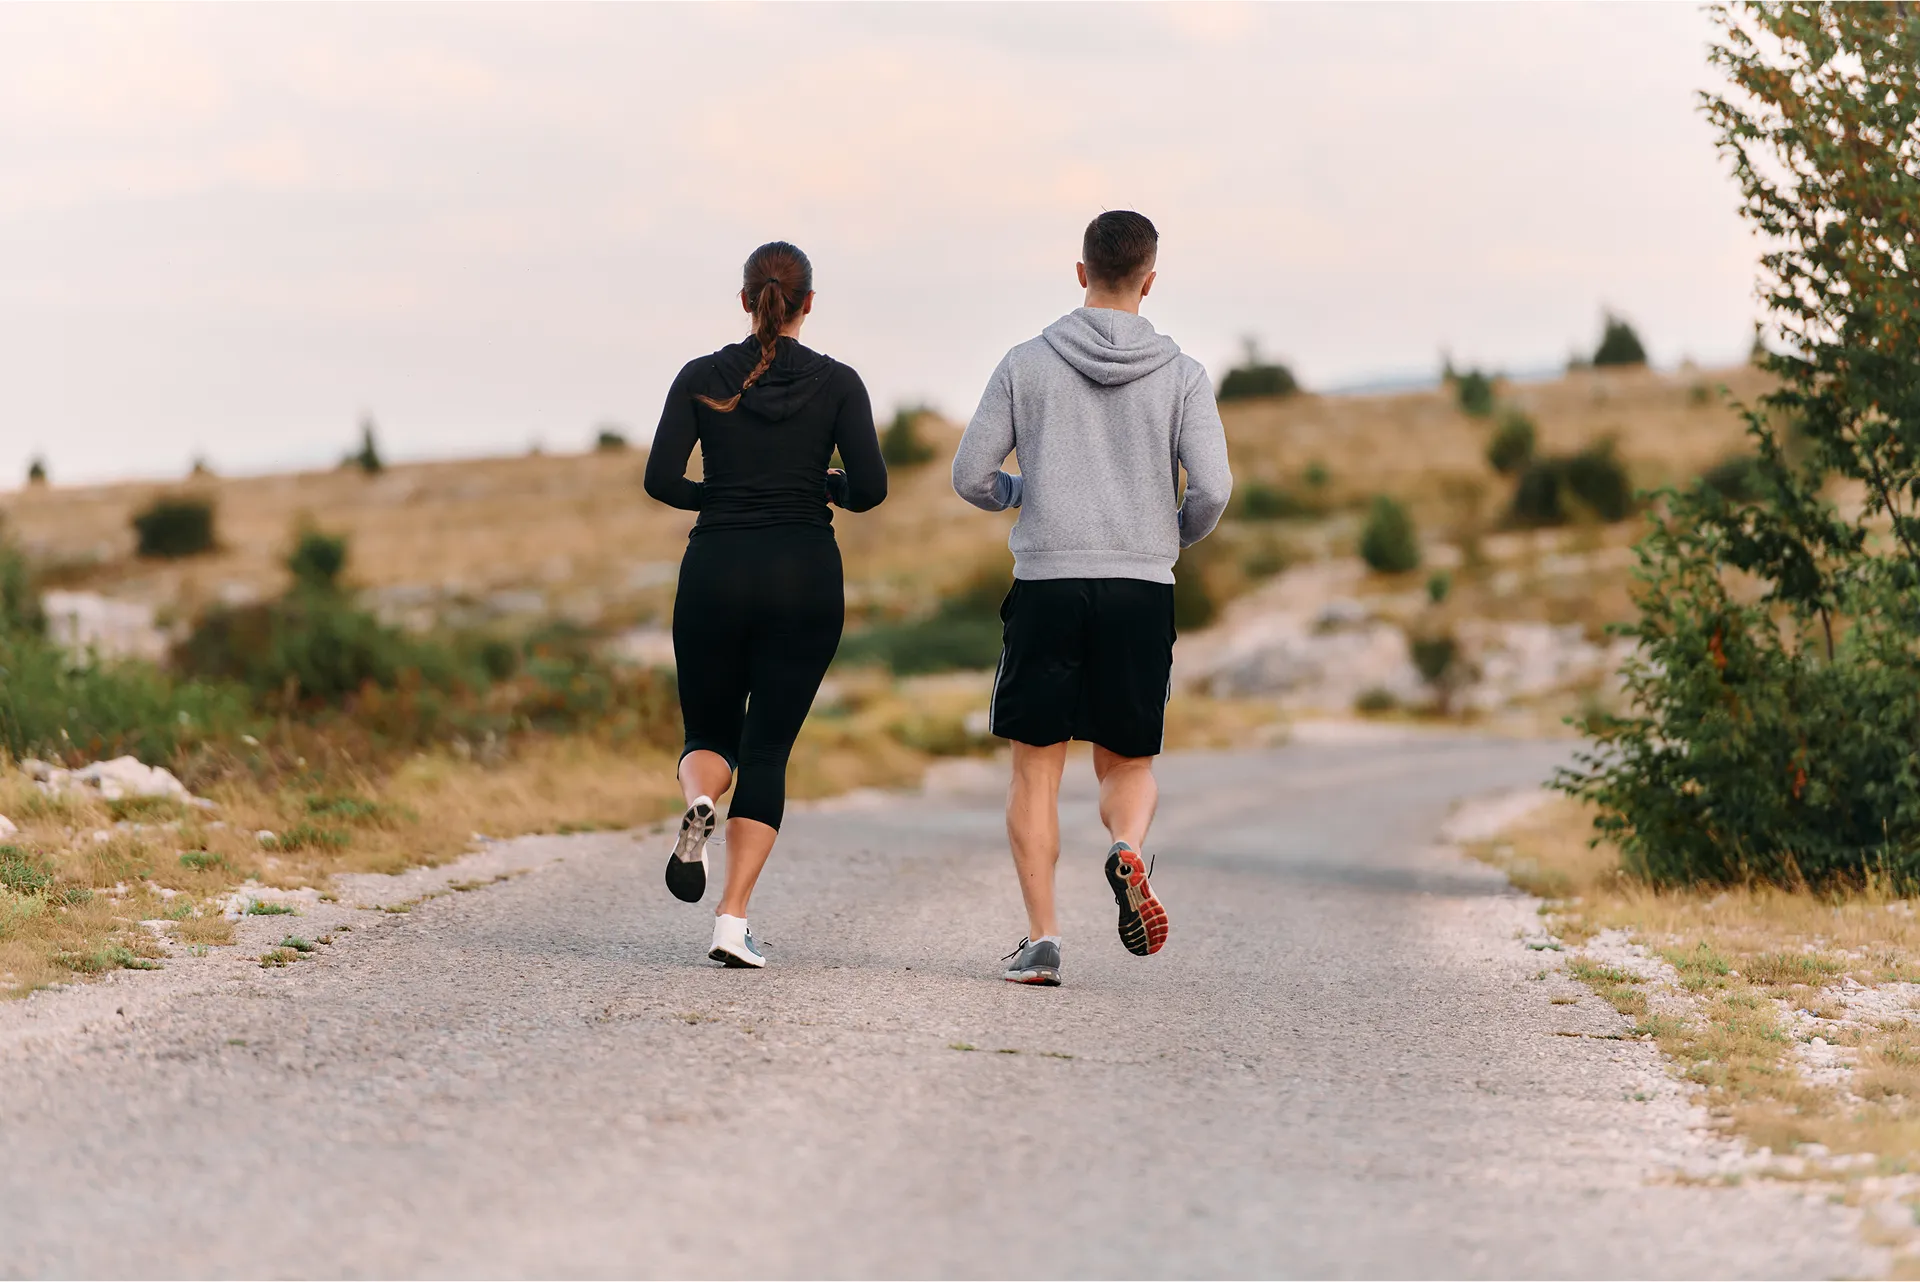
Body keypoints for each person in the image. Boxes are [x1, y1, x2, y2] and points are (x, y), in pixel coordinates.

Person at [951, 210, 1232, 986]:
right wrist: (1167, 537)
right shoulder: (1183, 375)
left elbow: (970, 475)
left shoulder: (1026, 363)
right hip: (1141, 588)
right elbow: (1213, 487)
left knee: (1035, 773)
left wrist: (1020, 492)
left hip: (1047, 585)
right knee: (1127, 762)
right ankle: (1127, 850)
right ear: (1150, 280)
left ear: (1081, 273)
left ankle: (1042, 940)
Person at [644, 241, 887, 968]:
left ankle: (700, 803)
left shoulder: (699, 376)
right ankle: (731, 921)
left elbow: (660, 479)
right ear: (808, 303)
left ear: (746, 301)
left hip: (715, 570)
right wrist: (827, 485)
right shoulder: (838, 383)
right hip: (803, 577)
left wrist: (722, 499)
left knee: (707, 731)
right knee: (767, 752)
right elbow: (871, 488)